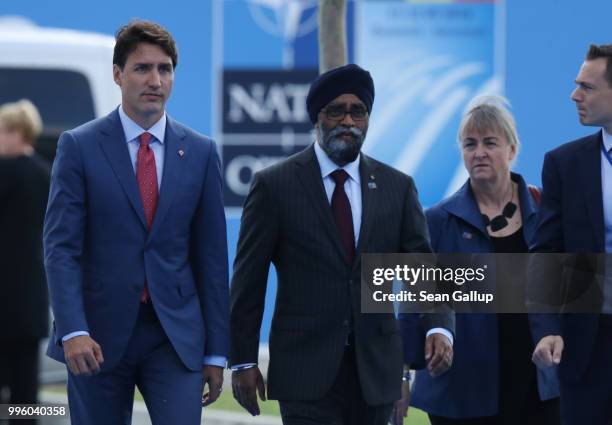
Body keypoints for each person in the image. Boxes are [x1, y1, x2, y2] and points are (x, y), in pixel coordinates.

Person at [229, 63, 454, 425]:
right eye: (337, 111)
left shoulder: (398, 187)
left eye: (358, 111)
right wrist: (242, 359)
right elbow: (248, 281)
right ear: (317, 118)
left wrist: (439, 326)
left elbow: (421, 267)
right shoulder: (275, 186)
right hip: (304, 371)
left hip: (375, 371)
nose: (348, 120)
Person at [43, 20, 229, 424]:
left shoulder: (200, 152)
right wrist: (73, 330)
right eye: (142, 68)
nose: (155, 80)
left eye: (164, 69)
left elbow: (212, 259)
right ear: (117, 74)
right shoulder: (79, 146)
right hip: (96, 337)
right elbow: (61, 249)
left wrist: (216, 351)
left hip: (174, 335)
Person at [408, 96, 560, 425]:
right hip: (465, 388)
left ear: (512, 148)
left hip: (540, 382)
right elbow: (417, 296)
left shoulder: (548, 209)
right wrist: (404, 369)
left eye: (490, 143)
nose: (479, 152)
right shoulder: (437, 220)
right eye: (470, 143)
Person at [530, 44, 612, 425]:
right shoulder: (563, 163)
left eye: (587, 87)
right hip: (585, 355)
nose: (574, 95)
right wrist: (547, 329)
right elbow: (545, 255)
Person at [0, 99, 50, 424]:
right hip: (30, 304)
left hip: (3, 301)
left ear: (18, 132)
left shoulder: (5, 172)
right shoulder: (47, 174)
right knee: (26, 396)